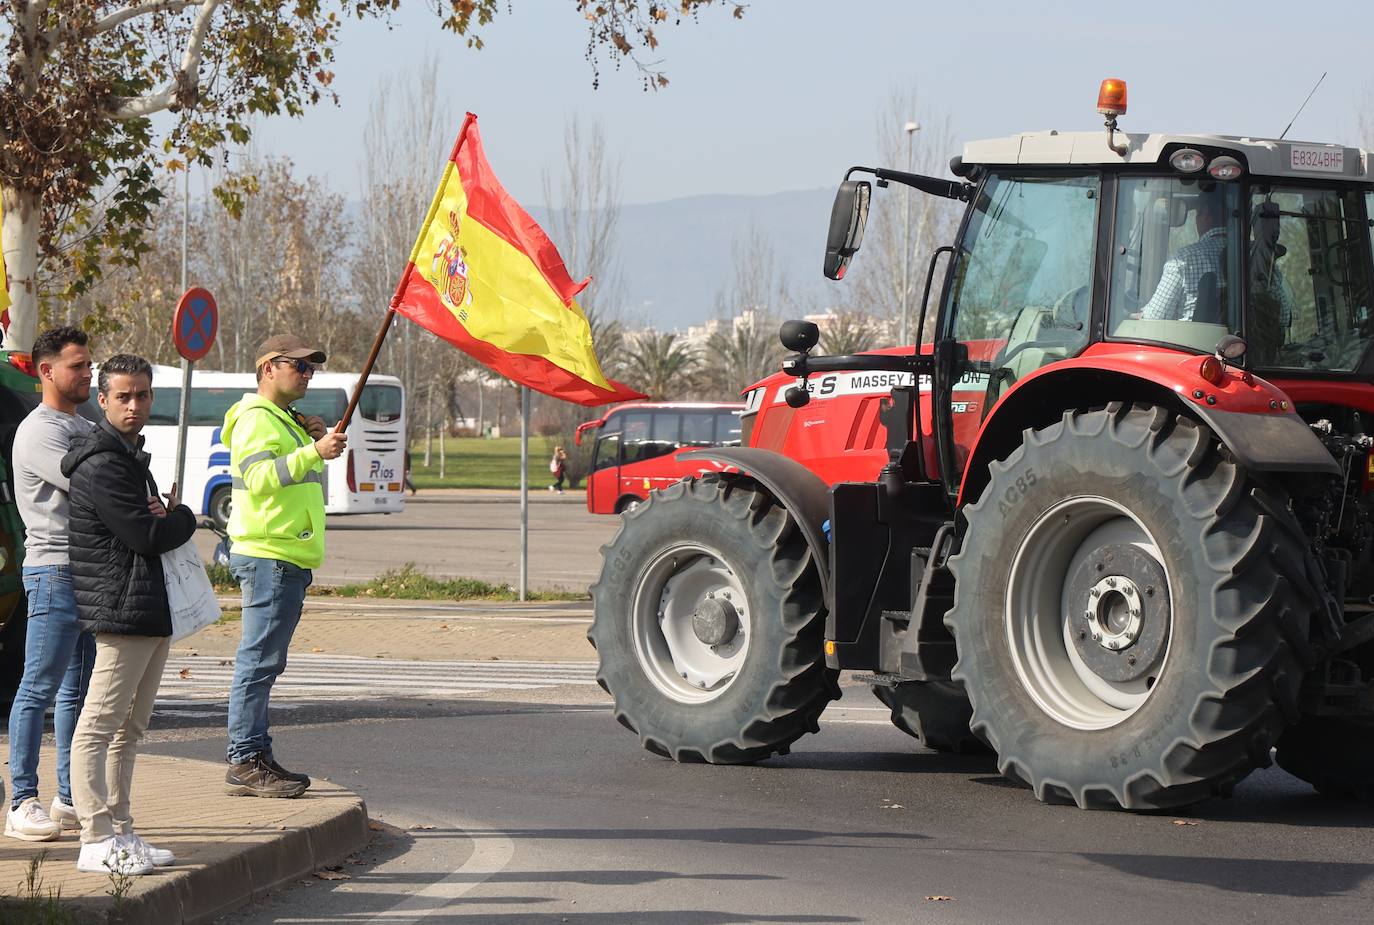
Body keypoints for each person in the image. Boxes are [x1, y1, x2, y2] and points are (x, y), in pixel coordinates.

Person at [63, 353, 196, 875]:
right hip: (121, 607)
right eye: (123, 396)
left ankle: (121, 830)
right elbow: (147, 535)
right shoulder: (103, 463)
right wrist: (182, 516)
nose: (134, 405)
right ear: (102, 401)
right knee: (97, 725)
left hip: (146, 607)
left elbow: (150, 530)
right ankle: (95, 838)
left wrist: (165, 518)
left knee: (130, 728)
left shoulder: (130, 458)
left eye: (142, 394)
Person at [221, 334, 346, 798]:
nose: (308, 374)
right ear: (269, 367)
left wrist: (312, 441)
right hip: (270, 555)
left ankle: (253, 754)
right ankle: (246, 759)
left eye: (312, 368)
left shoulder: (283, 420)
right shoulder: (257, 418)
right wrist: (314, 451)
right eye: (300, 366)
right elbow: (258, 479)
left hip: (283, 555)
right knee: (258, 662)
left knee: (264, 662)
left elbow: (293, 478)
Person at [6, 326, 97, 842]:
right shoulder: (41, 430)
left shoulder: (81, 423)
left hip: (86, 571)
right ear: (46, 371)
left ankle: (68, 797)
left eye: (89, 365)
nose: (88, 373)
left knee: (75, 692)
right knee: (37, 688)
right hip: (53, 572)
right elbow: (92, 487)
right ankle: (21, 801)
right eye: (77, 365)